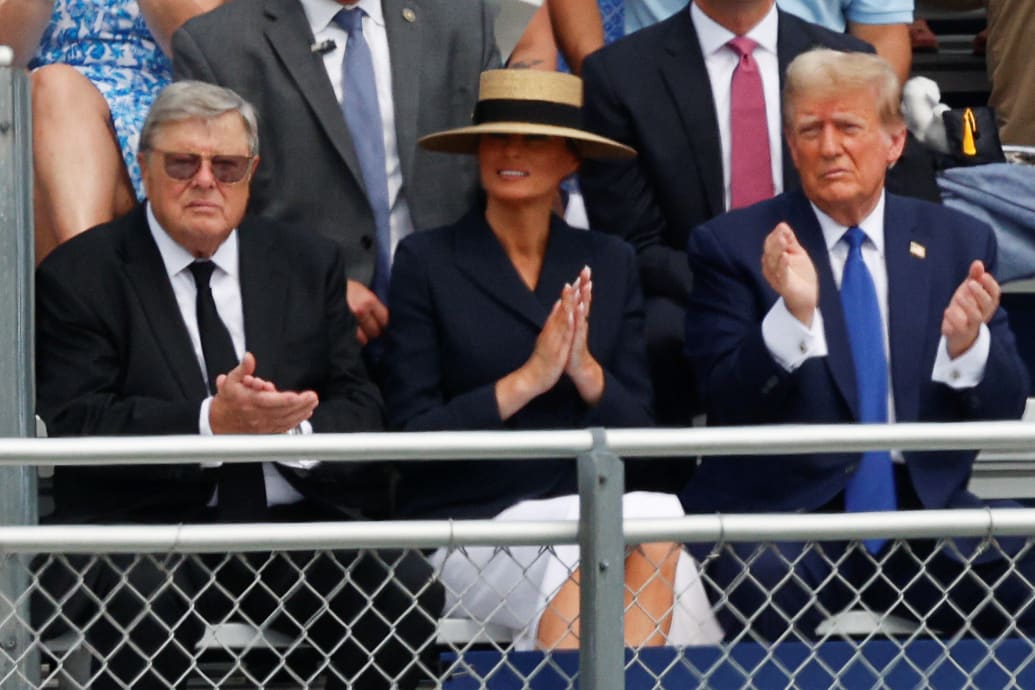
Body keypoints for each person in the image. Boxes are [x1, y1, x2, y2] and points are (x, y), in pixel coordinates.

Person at [33, 81, 440, 690]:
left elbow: (359, 402)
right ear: (144, 165)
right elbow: (79, 420)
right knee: (139, 594)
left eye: (226, 166)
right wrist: (210, 426)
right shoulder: (81, 273)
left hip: (294, 531)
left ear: (252, 173)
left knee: (399, 584)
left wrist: (290, 427)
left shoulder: (307, 262)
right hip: (149, 536)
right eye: (182, 163)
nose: (205, 181)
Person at [682, 48, 1033, 641]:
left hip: (927, 518)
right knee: (758, 575)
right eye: (809, 130)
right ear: (791, 147)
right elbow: (725, 399)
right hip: (788, 517)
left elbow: (1002, 404)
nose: (828, 147)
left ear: (895, 143)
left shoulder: (956, 239)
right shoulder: (736, 244)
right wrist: (792, 317)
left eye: (848, 127)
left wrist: (968, 347)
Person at [384, 69, 722, 651]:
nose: (511, 150)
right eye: (497, 138)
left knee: (654, 531)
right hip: (472, 523)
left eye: (534, 139)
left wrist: (587, 373)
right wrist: (526, 381)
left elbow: (641, 433)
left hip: (600, 514)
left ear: (571, 160)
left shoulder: (609, 261)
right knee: (636, 545)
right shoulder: (426, 260)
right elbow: (413, 438)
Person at [172, 0, 500, 350]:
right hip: (305, 337)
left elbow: (503, 170)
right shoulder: (217, 46)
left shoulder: (462, 18)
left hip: (453, 327)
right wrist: (316, 287)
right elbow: (206, 214)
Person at [0, 0, 228, 263]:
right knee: (55, 93)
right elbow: (7, 55)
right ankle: (96, 283)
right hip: (43, 113)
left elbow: (205, 44)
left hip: (167, 103)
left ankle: (89, 286)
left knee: (52, 122)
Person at [542, 0, 912, 82]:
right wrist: (612, 86)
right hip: (662, 92)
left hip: (813, 93)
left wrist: (846, 113)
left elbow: (882, 34)